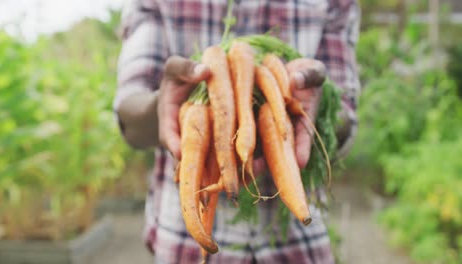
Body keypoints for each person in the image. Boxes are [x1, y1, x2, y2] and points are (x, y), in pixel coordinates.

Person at [114, 0, 360, 263]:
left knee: (262, 110)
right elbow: (129, 114)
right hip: (181, 246)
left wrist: (315, 112)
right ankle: (203, 231)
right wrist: (163, 106)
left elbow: (345, 119)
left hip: (298, 245)